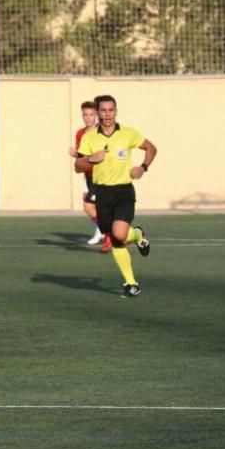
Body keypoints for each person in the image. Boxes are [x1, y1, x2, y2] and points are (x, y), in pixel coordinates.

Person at [74, 95, 157, 298]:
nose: (107, 114)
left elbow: (151, 148)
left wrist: (143, 167)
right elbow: (78, 166)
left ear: (116, 111)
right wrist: (92, 159)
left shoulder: (128, 133)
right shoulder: (90, 137)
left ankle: (137, 234)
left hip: (123, 191)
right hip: (102, 193)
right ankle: (131, 283)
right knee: (116, 239)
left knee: (119, 234)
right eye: (103, 110)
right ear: (98, 113)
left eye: (111, 110)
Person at [66, 100, 111, 251]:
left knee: (90, 206)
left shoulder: (103, 132)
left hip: (101, 175)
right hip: (88, 174)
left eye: (91, 114)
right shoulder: (80, 133)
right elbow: (83, 155)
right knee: (89, 205)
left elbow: (102, 154)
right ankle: (102, 230)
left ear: (97, 115)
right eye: (85, 114)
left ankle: (108, 234)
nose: (88, 117)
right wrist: (76, 154)